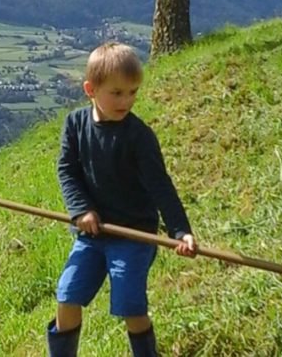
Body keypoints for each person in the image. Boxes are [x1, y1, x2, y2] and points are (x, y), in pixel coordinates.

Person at [46, 42, 197, 357]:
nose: (126, 101)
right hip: (91, 233)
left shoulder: (139, 137)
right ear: (91, 89)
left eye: (132, 92)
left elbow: (161, 187)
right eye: (116, 93)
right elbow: (67, 171)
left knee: (130, 303)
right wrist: (81, 210)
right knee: (67, 294)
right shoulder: (75, 125)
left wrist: (180, 231)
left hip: (133, 235)